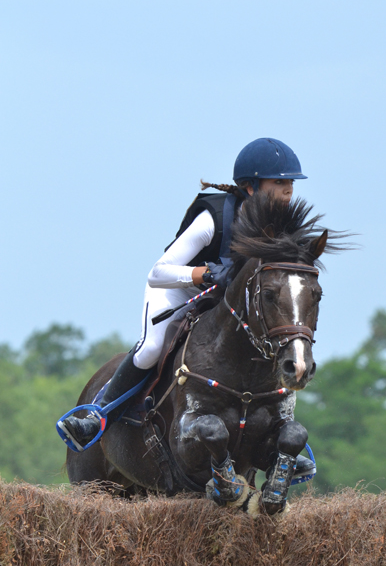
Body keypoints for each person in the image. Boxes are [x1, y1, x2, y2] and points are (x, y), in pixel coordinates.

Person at [58, 138, 309, 455]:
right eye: (280, 182)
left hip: (224, 303)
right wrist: (204, 274)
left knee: (273, 349)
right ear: (250, 186)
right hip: (177, 290)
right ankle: (98, 415)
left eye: (290, 183)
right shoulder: (214, 218)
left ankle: (283, 443)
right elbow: (158, 272)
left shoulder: (280, 230)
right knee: (151, 348)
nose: (288, 190)